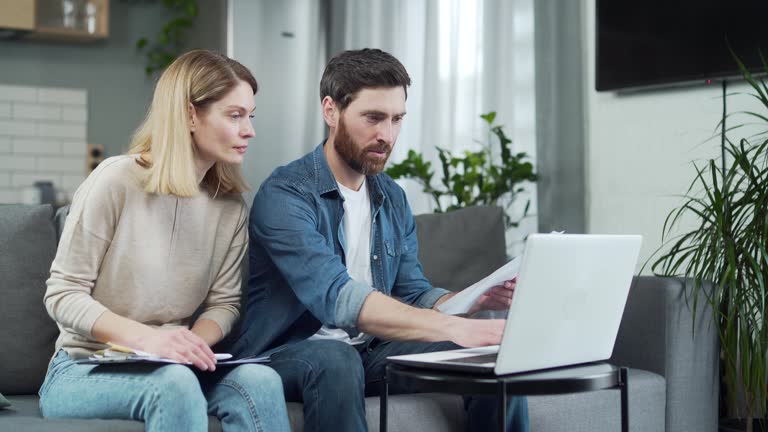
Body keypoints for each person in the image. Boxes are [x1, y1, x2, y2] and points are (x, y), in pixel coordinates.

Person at [232, 48, 528, 432]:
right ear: (331, 110)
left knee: (488, 357)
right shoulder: (286, 194)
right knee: (335, 357)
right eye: (373, 118)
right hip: (285, 354)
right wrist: (453, 327)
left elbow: (413, 290)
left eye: (396, 119)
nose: (386, 135)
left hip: (371, 352)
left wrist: (469, 302)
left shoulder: (391, 196)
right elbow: (337, 298)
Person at [39, 50, 291, 432]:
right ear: (191, 115)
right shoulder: (116, 180)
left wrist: (187, 347)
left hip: (173, 366)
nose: (249, 130)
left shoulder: (229, 207)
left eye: (250, 116)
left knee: (261, 381)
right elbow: (62, 293)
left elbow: (224, 305)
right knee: (174, 385)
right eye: (234, 115)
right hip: (83, 368)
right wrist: (151, 341)